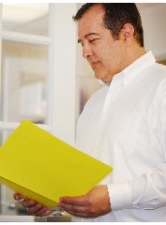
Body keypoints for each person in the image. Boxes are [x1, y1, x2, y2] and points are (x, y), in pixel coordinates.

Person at [13, 3, 166, 222]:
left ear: (126, 34)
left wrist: (114, 197)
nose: (85, 52)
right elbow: (83, 185)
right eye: (82, 43)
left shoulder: (162, 86)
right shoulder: (95, 103)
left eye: (92, 40)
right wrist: (52, 199)